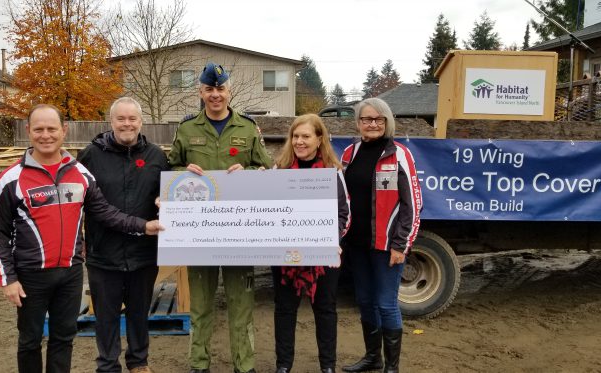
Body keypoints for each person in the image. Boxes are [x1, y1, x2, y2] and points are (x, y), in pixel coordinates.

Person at [0, 104, 164, 373]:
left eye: (52, 129)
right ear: (28, 132)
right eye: (39, 129)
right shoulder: (11, 178)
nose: (46, 135)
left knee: (63, 338)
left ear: (64, 131)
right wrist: (8, 278)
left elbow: (105, 212)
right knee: (30, 340)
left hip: (70, 273)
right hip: (31, 273)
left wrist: (144, 226)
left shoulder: (79, 173)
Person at [168, 62, 273, 373]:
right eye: (209, 89)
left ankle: (245, 365)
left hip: (239, 231)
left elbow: (266, 170)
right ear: (200, 92)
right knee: (200, 305)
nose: (216, 95)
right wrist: (181, 173)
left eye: (221, 89)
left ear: (229, 91)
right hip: (200, 233)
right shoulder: (186, 129)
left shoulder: (247, 127)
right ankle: (199, 365)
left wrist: (249, 171)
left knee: (242, 305)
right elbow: (170, 168)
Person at [77, 97, 169, 373]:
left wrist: (163, 202)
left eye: (132, 119)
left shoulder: (156, 156)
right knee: (106, 315)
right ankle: (107, 365)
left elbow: (166, 194)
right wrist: (79, 240)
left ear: (141, 122)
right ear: (111, 121)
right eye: (121, 119)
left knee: (139, 312)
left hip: (144, 252)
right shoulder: (90, 156)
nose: (127, 124)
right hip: (103, 252)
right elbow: (78, 202)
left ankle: (138, 362)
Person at [340, 98, 422, 373]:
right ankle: (373, 358)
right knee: (364, 301)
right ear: (359, 123)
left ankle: (392, 367)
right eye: (366, 119)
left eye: (378, 119)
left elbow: (413, 204)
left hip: (387, 246)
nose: (372, 124)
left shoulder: (399, 154)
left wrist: (402, 245)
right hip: (357, 245)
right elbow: (342, 198)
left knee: (386, 304)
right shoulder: (350, 154)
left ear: (387, 122)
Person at [272, 114, 350, 373]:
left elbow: (344, 213)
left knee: (325, 309)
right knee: (284, 310)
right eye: (295, 136)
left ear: (319, 139)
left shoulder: (332, 172)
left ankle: (328, 366)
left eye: (306, 136)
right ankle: (283, 365)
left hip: (322, 254)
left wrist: (332, 239)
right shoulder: (278, 170)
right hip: (287, 255)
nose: (299, 141)